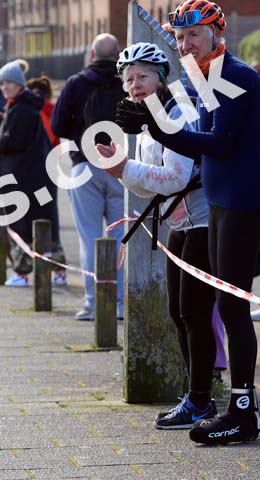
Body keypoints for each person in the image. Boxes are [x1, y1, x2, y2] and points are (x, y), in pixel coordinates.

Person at [116, 0, 260, 445]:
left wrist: (158, 127)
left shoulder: (235, 75)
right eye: (179, 38)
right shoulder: (206, 75)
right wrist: (155, 120)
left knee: (232, 307)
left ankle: (242, 411)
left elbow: (218, 143)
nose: (185, 44)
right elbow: (197, 140)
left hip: (242, 202)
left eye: (194, 34)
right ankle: (231, 405)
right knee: (223, 307)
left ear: (218, 33)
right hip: (220, 201)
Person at [97, 42, 224, 429]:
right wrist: (123, 169)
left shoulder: (178, 111)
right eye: (128, 79)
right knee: (178, 314)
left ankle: (201, 400)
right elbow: (147, 186)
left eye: (143, 76)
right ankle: (196, 396)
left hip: (204, 219)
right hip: (179, 223)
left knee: (194, 313)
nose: (135, 85)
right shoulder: (148, 119)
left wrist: (125, 168)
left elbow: (175, 178)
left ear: (162, 78)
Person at [51, 33, 126, 320]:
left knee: (89, 238)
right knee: (121, 237)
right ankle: (120, 303)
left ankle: (93, 303)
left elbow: (58, 125)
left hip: (84, 166)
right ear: (118, 55)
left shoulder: (76, 84)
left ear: (91, 55)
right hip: (122, 167)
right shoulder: (126, 81)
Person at [0, 61, 56, 287]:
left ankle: (22, 273)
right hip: (26, 174)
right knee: (33, 224)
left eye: (9, 82)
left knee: (22, 226)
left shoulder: (21, 108)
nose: (5, 87)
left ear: (19, 84)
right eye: (2, 83)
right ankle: (41, 273)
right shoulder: (20, 105)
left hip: (23, 175)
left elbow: (14, 141)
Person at [27, 75, 68, 286]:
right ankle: (58, 269)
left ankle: (49, 267)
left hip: (38, 173)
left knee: (39, 217)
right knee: (49, 217)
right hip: (51, 172)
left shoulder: (35, 111)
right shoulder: (52, 110)